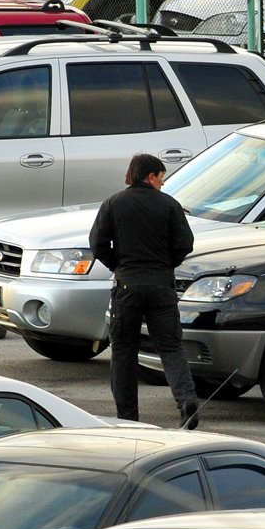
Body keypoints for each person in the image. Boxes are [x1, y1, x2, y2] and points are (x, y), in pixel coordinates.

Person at [90, 153, 199, 429]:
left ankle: (127, 419)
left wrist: (120, 265)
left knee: (124, 352)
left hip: (126, 288)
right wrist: (164, 266)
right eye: (161, 177)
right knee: (172, 348)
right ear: (150, 176)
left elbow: (98, 244)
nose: (163, 183)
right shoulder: (170, 206)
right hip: (161, 287)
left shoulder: (113, 204)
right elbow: (185, 243)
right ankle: (186, 400)